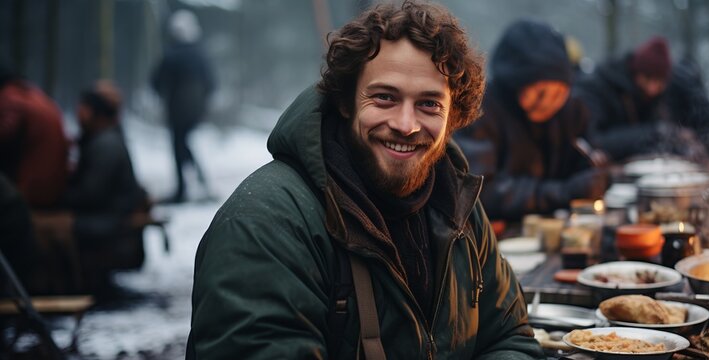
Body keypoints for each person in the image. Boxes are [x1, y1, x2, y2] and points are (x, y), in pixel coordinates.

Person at [187, 2, 542, 359]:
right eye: (385, 97)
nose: (406, 124)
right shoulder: (264, 225)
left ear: (453, 117)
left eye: (429, 104)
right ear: (345, 102)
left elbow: (509, 338)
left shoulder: (457, 205)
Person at [454, 19, 608, 221]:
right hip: (501, 235)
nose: (548, 102)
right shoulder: (481, 113)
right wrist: (563, 192)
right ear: (514, 84)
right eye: (540, 92)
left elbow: (589, 160)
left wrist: (597, 178)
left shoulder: (572, 111)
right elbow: (481, 191)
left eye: (559, 92)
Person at [64, 81, 148, 294]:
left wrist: (57, 196)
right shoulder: (102, 139)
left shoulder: (106, 144)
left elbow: (92, 194)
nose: (79, 116)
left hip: (110, 219)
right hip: (111, 215)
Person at [151, 9, 216, 203]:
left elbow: (156, 81)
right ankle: (199, 180)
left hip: (177, 110)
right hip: (195, 111)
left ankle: (183, 189)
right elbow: (211, 84)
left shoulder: (171, 54)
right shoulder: (200, 55)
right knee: (184, 143)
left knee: (179, 145)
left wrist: (162, 96)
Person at [575, 36, 675, 161]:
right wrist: (652, 132)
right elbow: (593, 140)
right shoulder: (596, 87)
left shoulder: (656, 96)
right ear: (636, 72)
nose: (652, 88)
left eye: (659, 82)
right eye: (648, 78)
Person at [0, 65, 69, 209]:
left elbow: (5, 132)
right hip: (51, 181)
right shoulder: (30, 94)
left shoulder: (10, 96)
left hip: (34, 187)